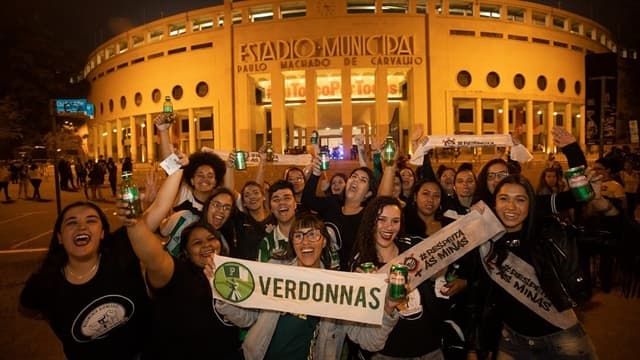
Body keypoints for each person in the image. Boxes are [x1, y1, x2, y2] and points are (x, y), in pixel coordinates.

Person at [214, 212, 402, 360]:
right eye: (299, 236)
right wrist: (222, 293)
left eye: (313, 234)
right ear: (292, 242)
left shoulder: (339, 286)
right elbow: (247, 318)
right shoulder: (275, 272)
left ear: (324, 240)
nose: (306, 241)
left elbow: (370, 342)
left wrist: (387, 309)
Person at [466, 175, 600, 359]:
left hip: (561, 338)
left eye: (520, 200)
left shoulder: (549, 234)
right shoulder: (485, 243)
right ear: (494, 204)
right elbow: (480, 298)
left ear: (531, 204)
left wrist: (603, 206)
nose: (511, 207)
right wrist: (476, 346)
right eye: (503, 198)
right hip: (511, 339)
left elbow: (602, 239)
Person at [19, 202, 151, 360]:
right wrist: (55, 315)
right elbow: (26, 308)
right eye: (72, 222)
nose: (81, 227)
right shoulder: (46, 280)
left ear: (102, 233)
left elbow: (159, 210)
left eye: (91, 220)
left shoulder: (120, 250)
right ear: (60, 237)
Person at [119, 207, 241, 359]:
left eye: (211, 238)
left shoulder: (235, 272)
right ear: (186, 253)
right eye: (197, 242)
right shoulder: (178, 274)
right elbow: (153, 258)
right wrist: (134, 221)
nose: (206, 245)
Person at [350, 196, 453, 359]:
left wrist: (474, 220)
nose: (389, 227)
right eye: (381, 220)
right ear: (371, 222)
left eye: (395, 221)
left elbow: (449, 247)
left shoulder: (413, 247)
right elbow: (360, 321)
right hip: (388, 353)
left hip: (430, 349)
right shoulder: (361, 265)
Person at [302, 161, 378, 270]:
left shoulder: (367, 217)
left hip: (346, 277)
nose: (356, 180)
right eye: (354, 177)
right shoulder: (332, 203)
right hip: (321, 269)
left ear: (368, 193)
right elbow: (307, 200)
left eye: (363, 180)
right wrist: (316, 173)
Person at [256, 180, 297, 262]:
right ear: (271, 208)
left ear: (295, 203)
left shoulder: (311, 236)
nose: (282, 202)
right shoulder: (266, 243)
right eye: (276, 200)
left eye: (287, 198)